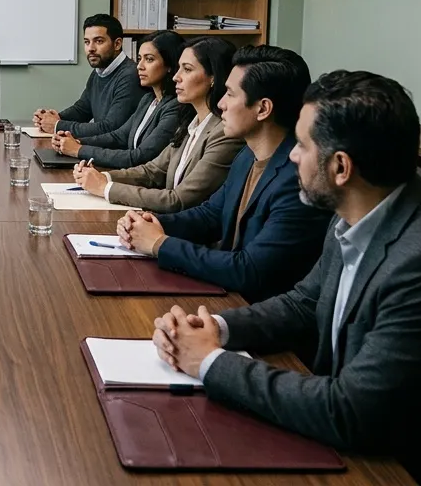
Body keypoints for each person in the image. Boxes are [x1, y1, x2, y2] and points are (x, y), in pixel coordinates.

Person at [152, 70, 421, 485]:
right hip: (358, 439)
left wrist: (211, 362)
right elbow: (304, 302)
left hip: (408, 468)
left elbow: (350, 411)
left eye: (303, 147)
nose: (291, 156)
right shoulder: (359, 213)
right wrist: (216, 327)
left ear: (341, 167)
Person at [113, 45, 331, 302]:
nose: (220, 103)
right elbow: (210, 215)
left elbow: (249, 270)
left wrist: (160, 244)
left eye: (229, 94)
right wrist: (153, 223)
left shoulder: (299, 180)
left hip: (255, 312)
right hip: (225, 296)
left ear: (263, 109)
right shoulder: (247, 155)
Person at [73, 36, 242, 213]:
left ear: (213, 77)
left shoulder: (223, 133)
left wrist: (105, 188)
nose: (176, 77)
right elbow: (152, 171)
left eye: (187, 69)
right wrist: (102, 177)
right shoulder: (190, 122)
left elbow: (177, 200)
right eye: (179, 68)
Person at [52, 30, 187, 169]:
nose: (140, 66)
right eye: (139, 58)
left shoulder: (175, 107)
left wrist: (78, 150)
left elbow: (138, 157)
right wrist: (76, 142)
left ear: (170, 65)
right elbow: (119, 136)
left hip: (146, 184)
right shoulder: (148, 99)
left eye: (149, 59)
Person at [33, 13, 142, 137]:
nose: (91, 48)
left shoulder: (130, 75)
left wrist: (57, 125)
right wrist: (52, 118)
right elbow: (83, 109)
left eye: (99, 41)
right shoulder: (99, 71)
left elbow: (110, 128)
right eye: (87, 42)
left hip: (115, 153)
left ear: (117, 44)